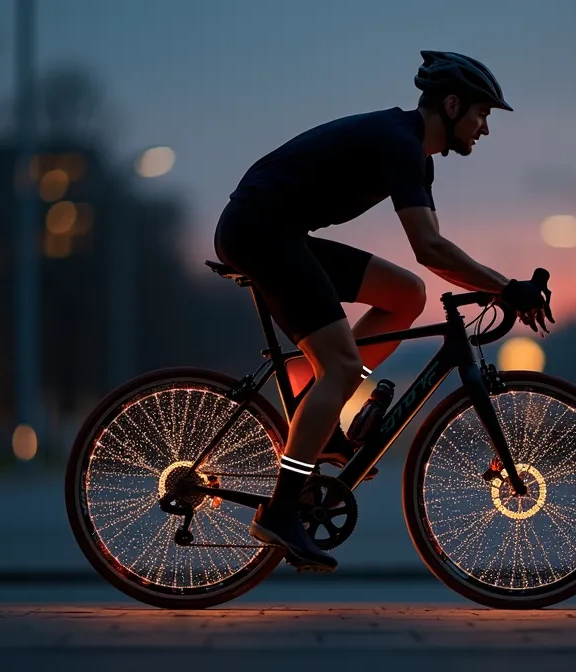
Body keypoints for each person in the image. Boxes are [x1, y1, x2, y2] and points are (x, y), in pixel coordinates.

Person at [213, 51, 554, 572]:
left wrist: (499, 288)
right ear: (452, 105)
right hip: (258, 233)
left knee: (407, 295)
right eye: (482, 114)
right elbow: (430, 248)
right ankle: (280, 509)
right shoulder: (400, 144)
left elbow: (431, 253)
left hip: (280, 233)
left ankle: (320, 412)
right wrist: (505, 287)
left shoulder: (414, 154)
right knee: (341, 365)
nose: (485, 128)